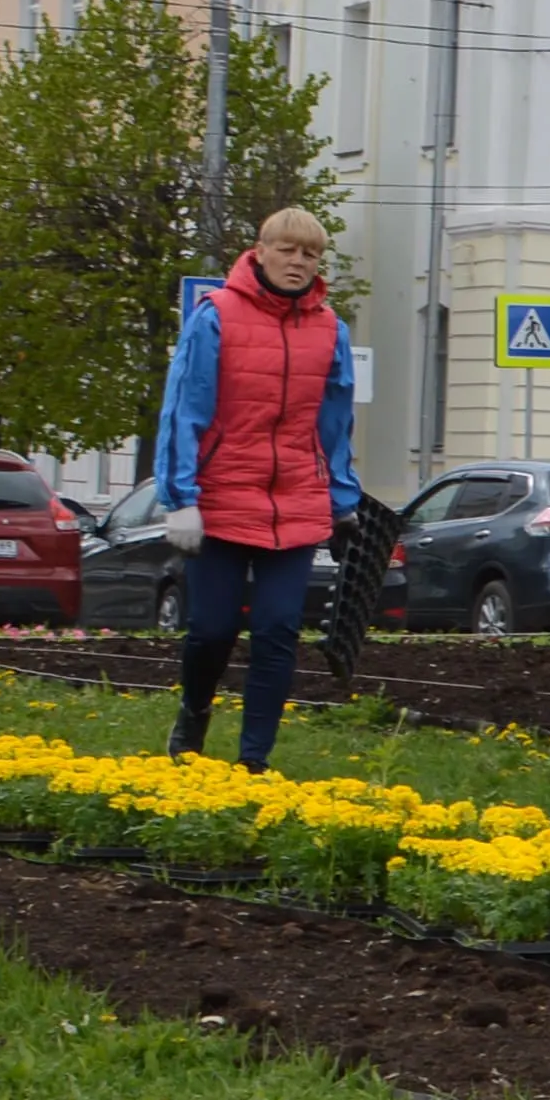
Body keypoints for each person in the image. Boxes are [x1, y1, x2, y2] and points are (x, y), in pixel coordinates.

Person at [150, 207, 362, 771]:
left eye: (310, 254)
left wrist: (342, 503)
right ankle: (194, 712)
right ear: (261, 250)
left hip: (295, 501)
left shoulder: (330, 330)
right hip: (220, 500)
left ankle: (254, 763)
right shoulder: (215, 315)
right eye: (288, 250)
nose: (298, 262)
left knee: (277, 631)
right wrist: (181, 498)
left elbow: (335, 424)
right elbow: (183, 410)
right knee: (213, 628)